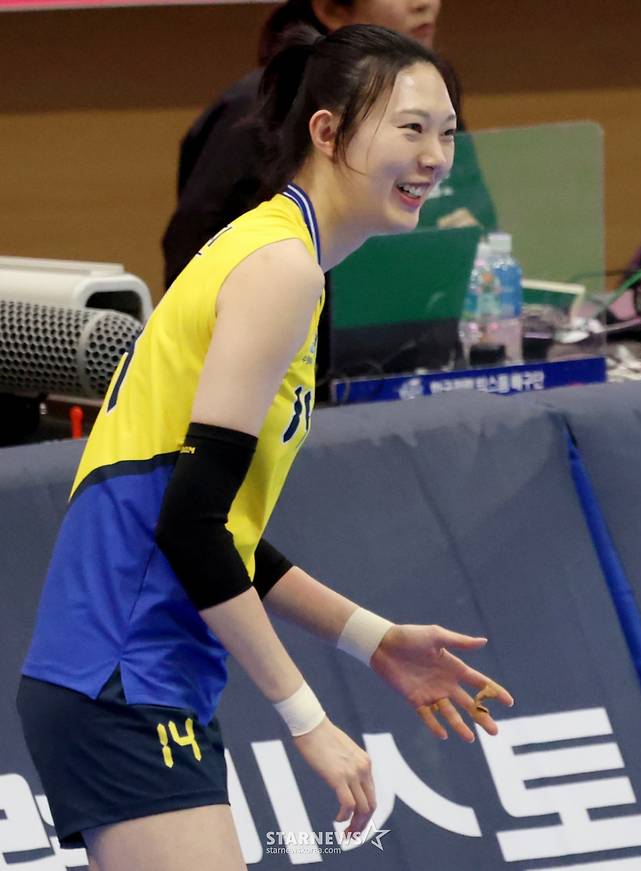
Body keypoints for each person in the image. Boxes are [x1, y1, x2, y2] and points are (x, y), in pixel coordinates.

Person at [18, 24, 513, 871]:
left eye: (447, 132)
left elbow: (220, 527)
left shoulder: (279, 253)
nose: (435, 157)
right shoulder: (281, 268)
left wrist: (373, 639)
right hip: (124, 672)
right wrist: (308, 719)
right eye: (410, 129)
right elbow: (189, 527)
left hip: (128, 672)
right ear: (327, 131)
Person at [162, 0, 495, 290]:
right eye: (412, 128)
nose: (424, 4)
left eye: (446, 132)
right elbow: (193, 256)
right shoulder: (281, 260)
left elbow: (480, 223)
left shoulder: (433, 100)